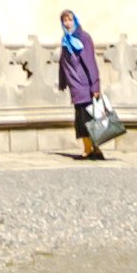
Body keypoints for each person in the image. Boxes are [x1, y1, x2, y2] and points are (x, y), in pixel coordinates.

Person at [57, 8, 107, 160]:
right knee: (81, 121)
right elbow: (63, 63)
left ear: (75, 20)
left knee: (90, 119)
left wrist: (95, 86)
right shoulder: (66, 40)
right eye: (64, 20)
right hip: (76, 87)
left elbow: (90, 63)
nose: (67, 23)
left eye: (70, 19)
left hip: (85, 86)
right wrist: (62, 82)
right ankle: (89, 149)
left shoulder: (83, 38)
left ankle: (94, 149)